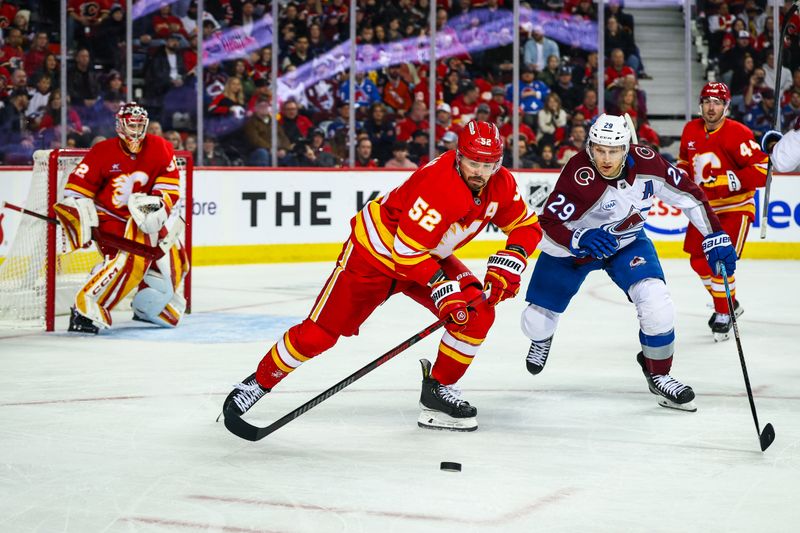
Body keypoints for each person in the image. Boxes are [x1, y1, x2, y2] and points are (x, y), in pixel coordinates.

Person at [222, 120, 542, 432]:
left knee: (476, 314)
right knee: (318, 335)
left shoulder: (501, 183)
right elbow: (405, 252)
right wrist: (442, 287)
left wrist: (511, 258)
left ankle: (438, 390)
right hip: (374, 256)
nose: (481, 173)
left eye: (490, 165)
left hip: (424, 254)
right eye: (474, 163)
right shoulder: (439, 186)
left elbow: (527, 227)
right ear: (459, 156)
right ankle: (257, 383)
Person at [520, 114, 738, 413]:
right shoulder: (577, 173)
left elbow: (689, 194)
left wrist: (715, 235)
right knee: (535, 323)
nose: (605, 159)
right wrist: (580, 237)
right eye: (598, 149)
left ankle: (659, 372)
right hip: (576, 250)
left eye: (613, 150)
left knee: (657, 302)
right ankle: (542, 337)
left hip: (627, 243)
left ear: (627, 147)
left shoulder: (649, 163)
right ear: (589, 146)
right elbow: (544, 227)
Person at [51, 102, 190, 334]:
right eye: (131, 124)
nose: (136, 130)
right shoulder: (102, 151)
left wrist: (160, 208)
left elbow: (169, 187)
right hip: (111, 218)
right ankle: (85, 308)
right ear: (120, 125)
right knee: (128, 262)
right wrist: (82, 219)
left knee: (174, 256)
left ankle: (149, 307)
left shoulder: (161, 147)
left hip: (144, 218)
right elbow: (76, 192)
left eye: (140, 124)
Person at [677, 82, 768, 341]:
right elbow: (685, 159)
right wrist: (681, 176)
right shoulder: (691, 129)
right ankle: (731, 304)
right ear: (701, 105)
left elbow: (762, 169)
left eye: (717, 102)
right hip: (704, 209)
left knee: (720, 261)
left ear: (726, 106)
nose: (711, 106)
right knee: (697, 260)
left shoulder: (737, 133)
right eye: (707, 101)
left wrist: (730, 180)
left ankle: (723, 313)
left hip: (735, 207)